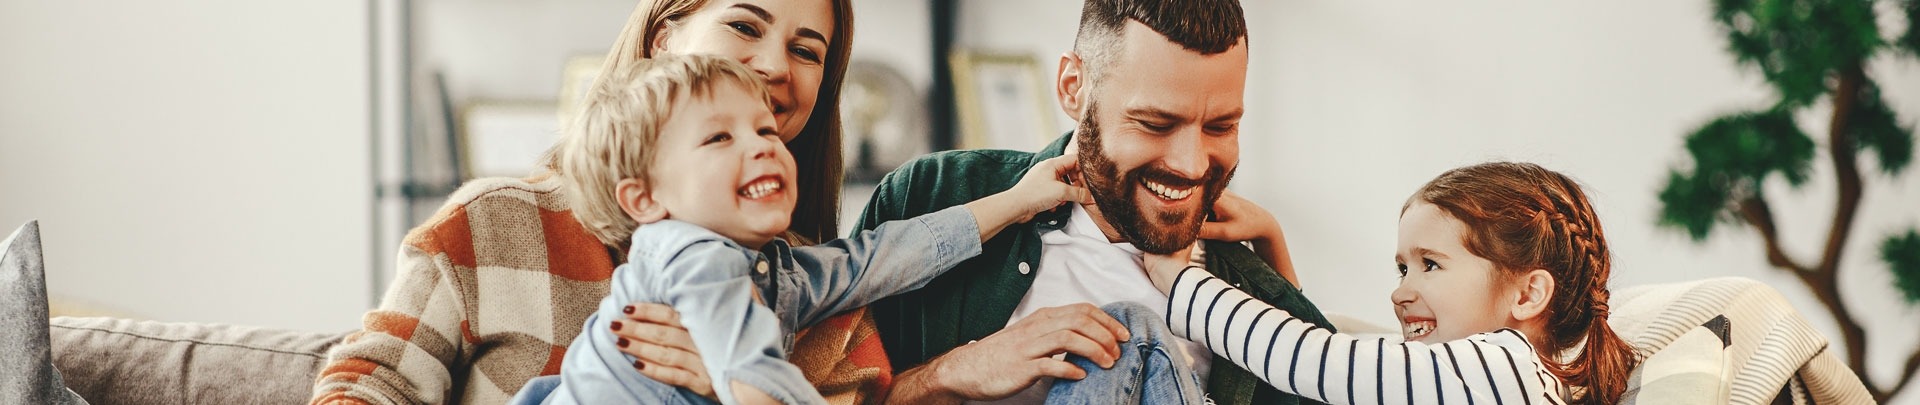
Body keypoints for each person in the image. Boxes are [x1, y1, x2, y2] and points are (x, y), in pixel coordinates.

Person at [614, 0, 1318, 403]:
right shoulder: (933, 195)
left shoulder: (1255, 289)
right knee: (1126, 330)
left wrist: (1277, 272)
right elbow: (864, 391)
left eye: (1222, 126)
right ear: (1073, 88)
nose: (1193, 163)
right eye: (1154, 123)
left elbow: (1339, 375)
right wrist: (961, 369)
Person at [308, 0, 874, 403]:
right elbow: (369, 387)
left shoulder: (820, 287)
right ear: (663, 43)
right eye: (745, 25)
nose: (776, 65)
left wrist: (729, 385)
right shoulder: (490, 224)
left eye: (805, 51)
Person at [514, 54, 1089, 404]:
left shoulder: (774, 266)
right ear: (645, 198)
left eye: (765, 130)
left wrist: (1017, 201)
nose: (762, 148)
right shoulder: (695, 257)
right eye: (720, 138)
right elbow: (752, 379)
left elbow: (882, 257)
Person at [1138, 162, 1641, 405]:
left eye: (1431, 265)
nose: (1401, 292)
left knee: (1133, 336)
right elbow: (1320, 374)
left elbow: (1311, 360)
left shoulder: (1505, 369)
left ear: (1528, 294)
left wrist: (1179, 278)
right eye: (1403, 268)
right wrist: (1271, 240)